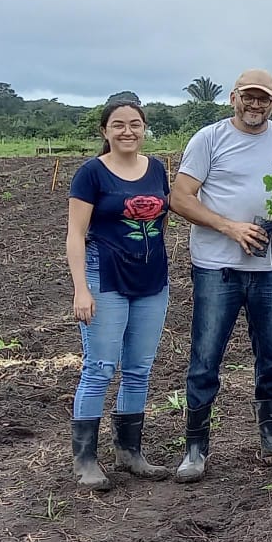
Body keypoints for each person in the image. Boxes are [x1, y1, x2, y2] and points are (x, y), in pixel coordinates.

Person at [169, 69, 272, 482]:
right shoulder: (209, 138)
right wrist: (229, 227)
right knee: (206, 357)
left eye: (262, 98)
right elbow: (179, 197)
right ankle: (195, 448)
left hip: (270, 268)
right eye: (247, 96)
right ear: (233, 98)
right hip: (218, 268)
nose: (254, 104)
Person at [64, 100, 173, 490]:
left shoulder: (157, 168)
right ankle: (86, 460)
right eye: (118, 125)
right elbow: (76, 235)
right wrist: (81, 288)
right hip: (104, 278)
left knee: (139, 368)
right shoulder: (91, 173)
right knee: (100, 367)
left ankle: (130, 453)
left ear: (144, 129)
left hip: (151, 280)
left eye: (135, 124)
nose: (128, 131)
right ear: (104, 131)